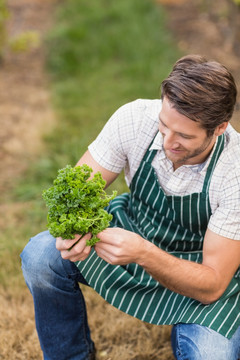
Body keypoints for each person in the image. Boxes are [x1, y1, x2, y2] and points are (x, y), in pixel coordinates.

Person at [21, 54, 240, 360]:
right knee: (40, 256)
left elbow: (213, 283)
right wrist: (76, 234)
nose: (168, 142)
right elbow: (77, 190)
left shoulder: (235, 172)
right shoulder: (135, 118)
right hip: (134, 227)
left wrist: (144, 253)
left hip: (200, 270)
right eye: (164, 126)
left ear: (218, 128)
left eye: (184, 136)